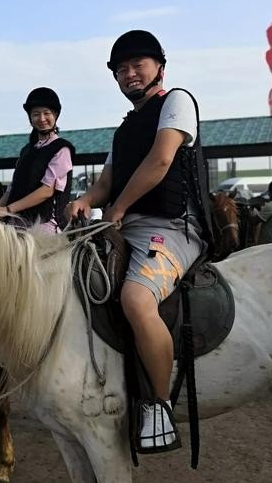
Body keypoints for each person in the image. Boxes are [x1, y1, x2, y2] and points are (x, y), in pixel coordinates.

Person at [67, 30, 213, 453]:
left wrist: (116, 208)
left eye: (138, 66)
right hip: (126, 226)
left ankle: (159, 404)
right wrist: (85, 200)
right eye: (121, 70)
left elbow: (162, 159)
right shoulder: (125, 129)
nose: (129, 74)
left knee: (135, 299)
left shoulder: (176, 103)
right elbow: (106, 183)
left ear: (159, 68)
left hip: (172, 228)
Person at [0, 87, 74, 234]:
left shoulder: (61, 149)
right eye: (36, 114)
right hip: (15, 225)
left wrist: (7, 209)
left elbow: (47, 191)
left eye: (46, 113)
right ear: (30, 118)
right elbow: (13, 188)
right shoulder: (26, 150)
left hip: (44, 227)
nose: (42, 119)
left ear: (55, 115)